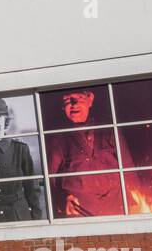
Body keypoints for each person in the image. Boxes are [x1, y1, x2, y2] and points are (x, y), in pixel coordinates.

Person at [46, 88, 123, 217]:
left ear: (90, 99)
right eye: (68, 100)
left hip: (115, 209)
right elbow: (50, 181)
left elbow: (127, 167)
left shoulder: (108, 128)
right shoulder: (57, 138)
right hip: (80, 213)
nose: (74, 104)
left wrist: (133, 202)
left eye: (79, 98)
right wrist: (62, 199)